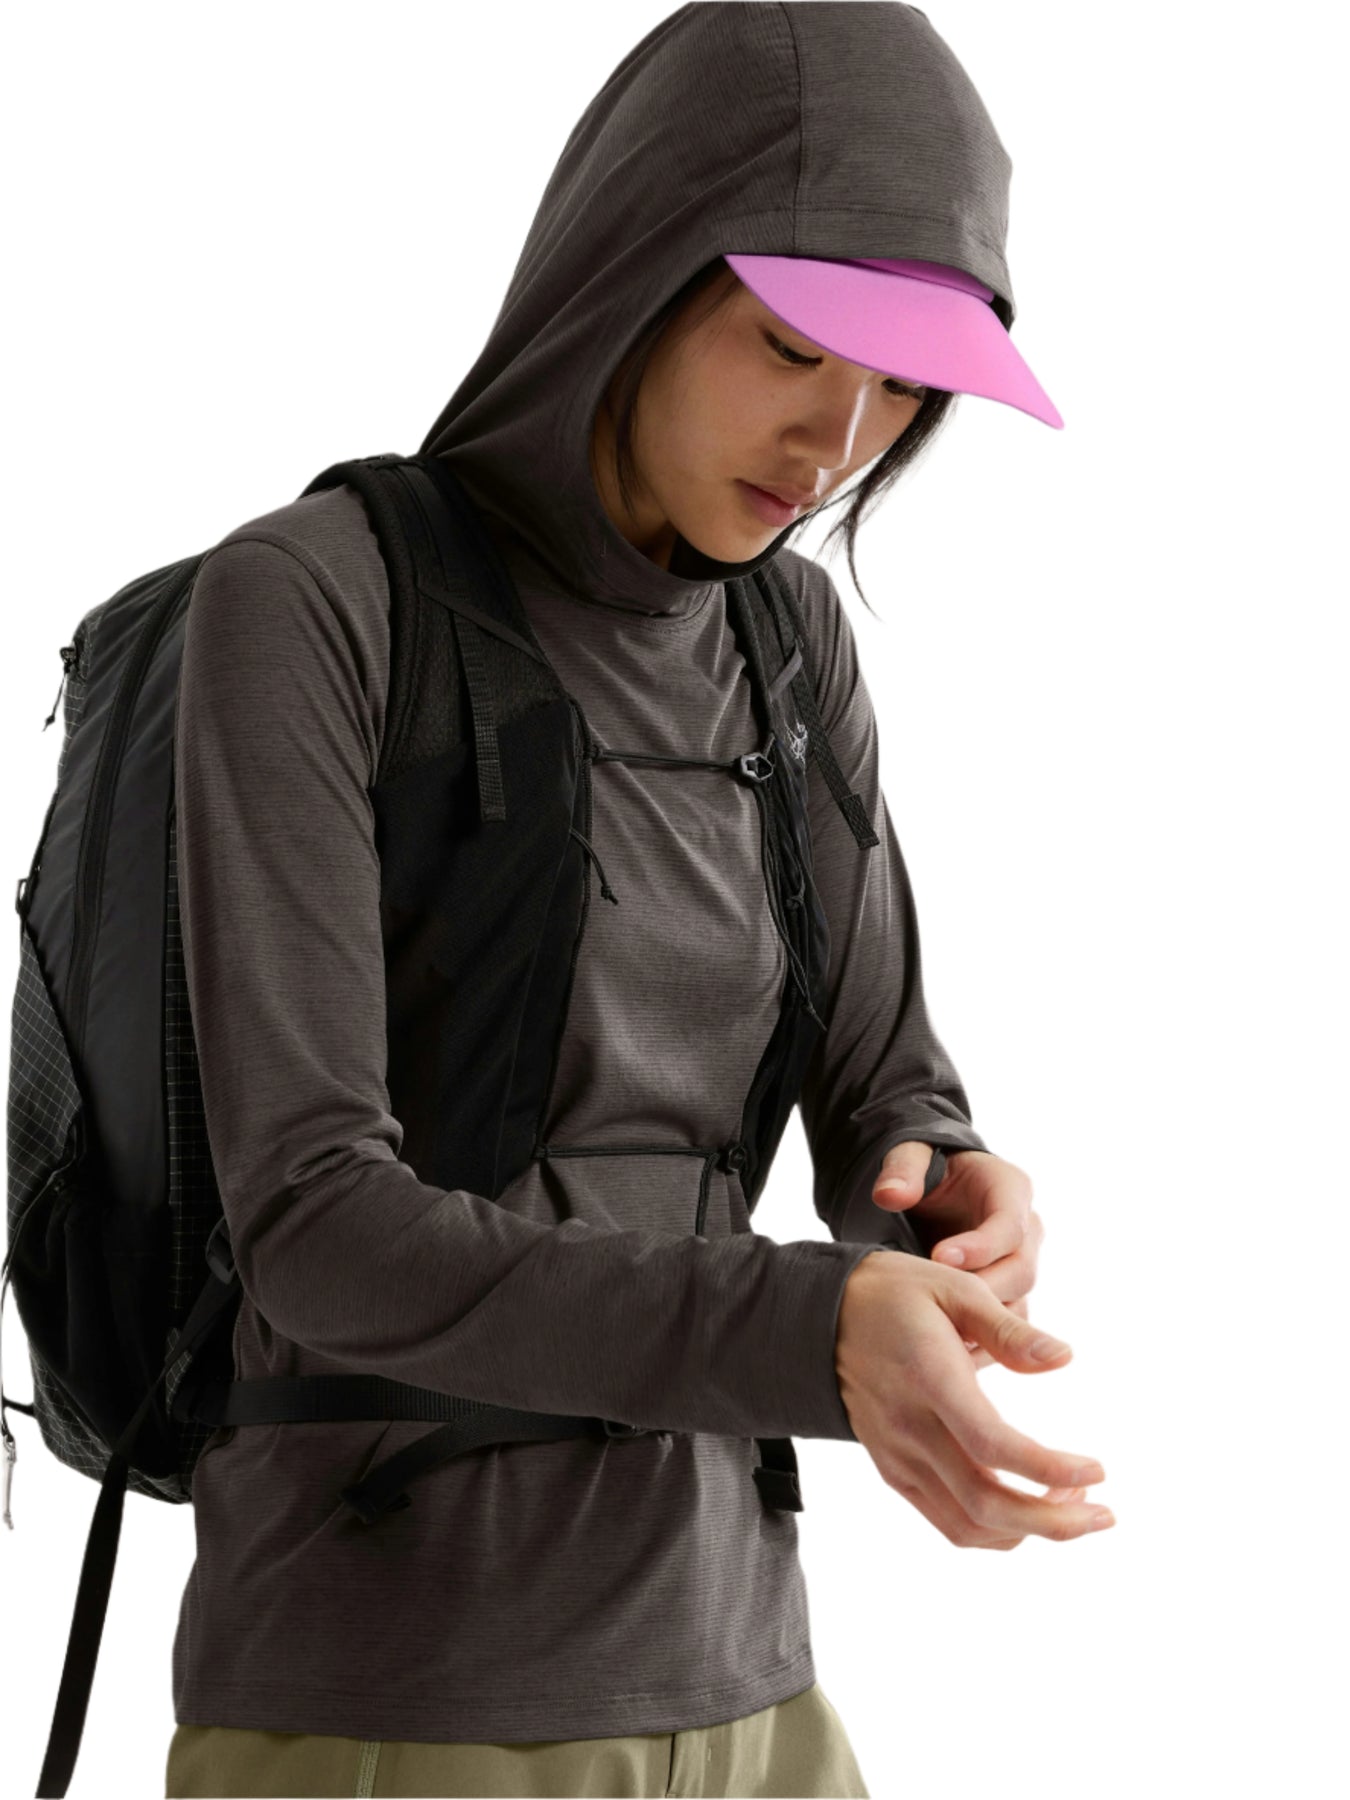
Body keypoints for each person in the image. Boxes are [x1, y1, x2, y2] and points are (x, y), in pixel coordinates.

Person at [164, 5, 1109, 1797]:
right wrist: (808, 1330)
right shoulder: (316, 602)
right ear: (633, 270)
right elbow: (312, 1222)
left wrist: (937, 1188)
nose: (838, 439)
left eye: (904, 386)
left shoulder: (788, 641)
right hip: (398, 1702)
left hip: (751, 1674)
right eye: (789, 348)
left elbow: (880, 1077)